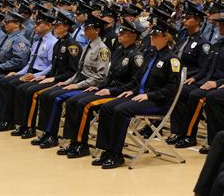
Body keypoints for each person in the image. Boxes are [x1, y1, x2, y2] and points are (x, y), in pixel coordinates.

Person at [92, 18, 181, 169]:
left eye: (156, 35)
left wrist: (149, 95)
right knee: (107, 107)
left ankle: (116, 154)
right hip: (140, 97)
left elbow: (171, 89)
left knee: (121, 110)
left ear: (166, 38)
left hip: (158, 102)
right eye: (151, 35)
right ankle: (106, 150)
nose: (151, 37)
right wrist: (131, 91)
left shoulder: (172, 60)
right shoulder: (150, 56)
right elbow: (139, 81)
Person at [58, 19, 144, 157]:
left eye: (123, 33)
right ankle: (73, 141)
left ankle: (82, 144)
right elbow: (108, 76)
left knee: (83, 104)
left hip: (120, 93)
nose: (119, 35)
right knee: (72, 101)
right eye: (120, 32)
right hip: (108, 89)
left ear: (133, 36)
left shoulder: (136, 56)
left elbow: (135, 83)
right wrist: (99, 87)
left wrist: (110, 90)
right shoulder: (118, 52)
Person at [30, 14, 110, 148]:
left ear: (97, 30)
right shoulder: (88, 46)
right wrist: (68, 82)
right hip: (80, 83)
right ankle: (48, 133)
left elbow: (100, 76)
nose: (85, 31)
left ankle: (72, 140)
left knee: (58, 98)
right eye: (85, 28)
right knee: (46, 95)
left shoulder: (102, 49)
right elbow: (79, 72)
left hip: (89, 86)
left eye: (88, 28)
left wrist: (77, 85)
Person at [10, 10, 82, 138]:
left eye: (57, 26)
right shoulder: (58, 43)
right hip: (53, 78)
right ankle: (25, 125)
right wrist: (44, 76)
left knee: (38, 93)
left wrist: (52, 78)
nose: (54, 28)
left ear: (66, 27)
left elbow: (72, 71)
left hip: (64, 81)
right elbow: (53, 67)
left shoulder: (72, 46)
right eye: (54, 25)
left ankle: (48, 133)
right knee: (23, 88)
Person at [0, 11, 58, 132]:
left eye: (39, 24)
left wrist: (35, 75)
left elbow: (51, 66)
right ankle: (3, 118)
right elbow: (30, 63)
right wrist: (19, 73)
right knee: (4, 81)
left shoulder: (53, 43)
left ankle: (23, 124)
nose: (35, 26)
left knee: (18, 87)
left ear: (48, 26)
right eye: (35, 23)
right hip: (30, 71)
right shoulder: (37, 42)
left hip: (42, 74)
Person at [171, 10, 224, 150]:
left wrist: (217, 83)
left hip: (218, 83)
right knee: (180, 91)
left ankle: (199, 137)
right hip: (207, 80)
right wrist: (195, 78)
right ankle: (180, 132)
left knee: (201, 96)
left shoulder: (207, 43)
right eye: (219, 24)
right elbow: (206, 69)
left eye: (222, 25)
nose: (219, 27)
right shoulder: (217, 45)